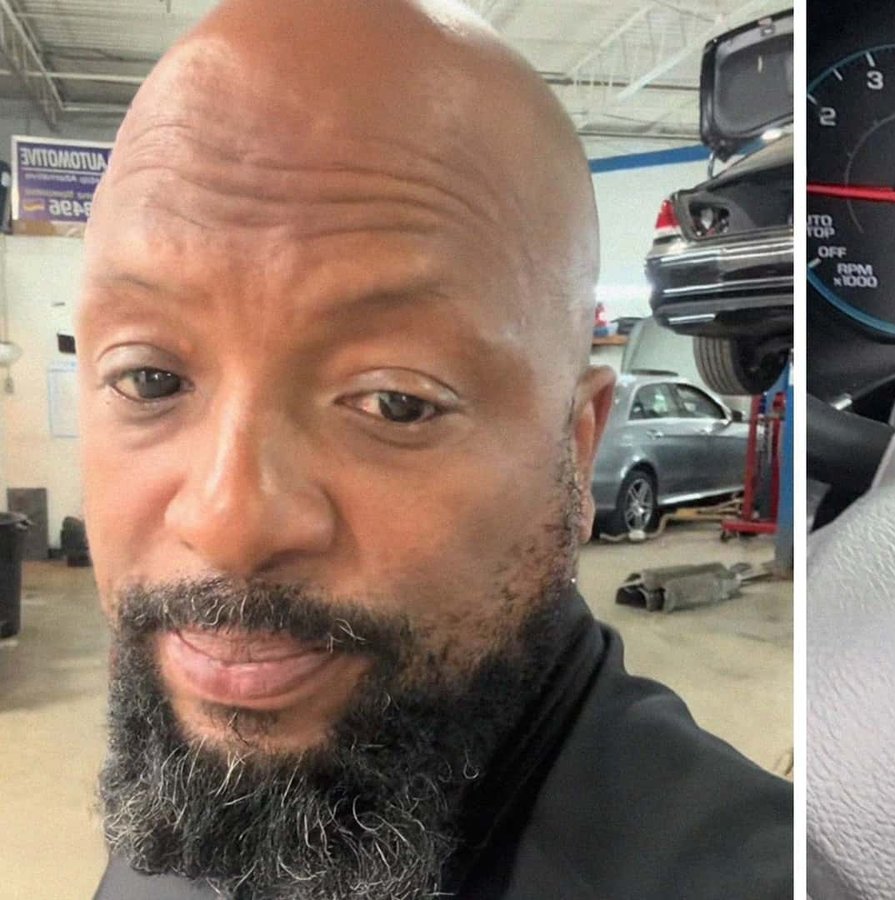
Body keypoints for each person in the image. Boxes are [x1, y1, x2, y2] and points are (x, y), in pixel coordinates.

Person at [76, 0, 792, 897]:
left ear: (574, 450)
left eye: (395, 401)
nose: (226, 521)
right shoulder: (184, 792)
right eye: (150, 379)